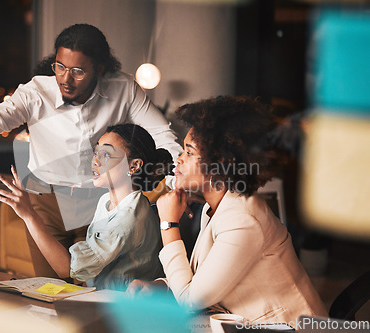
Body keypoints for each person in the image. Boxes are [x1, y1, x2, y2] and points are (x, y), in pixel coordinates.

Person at [0, 24, 182, 277]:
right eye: (60, 66)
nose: (66, 78)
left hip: (100, 205)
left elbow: (161, 134)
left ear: (100, 69)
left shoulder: (125, 89)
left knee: (95, 294)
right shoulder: (36, 91)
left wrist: (178, 181)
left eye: (78, 71)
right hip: (46, 203)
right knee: (53, 294)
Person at [127, 96, 327, 325]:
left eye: (189, 152)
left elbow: (191, 300)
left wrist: (169, 224)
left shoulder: (243, 218)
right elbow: (204, 278)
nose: (178, 160)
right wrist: (160, 286)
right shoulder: (217, 206)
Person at [0, 124, 171, 290]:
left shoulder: (126, 220)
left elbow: (67, 268)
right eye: (96, 152)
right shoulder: (106, 201)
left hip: (120, 310)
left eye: (106, 154)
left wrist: (29, 214)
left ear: (134, 165)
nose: (95, 161)